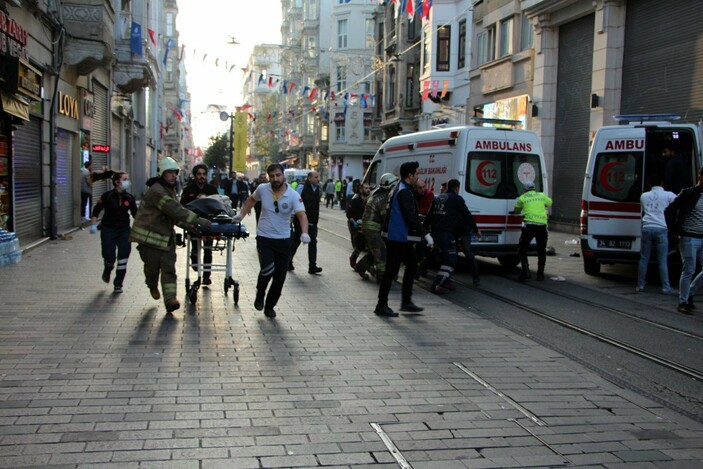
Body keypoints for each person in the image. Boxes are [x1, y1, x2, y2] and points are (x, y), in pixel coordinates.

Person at [130, 157, 212, 314]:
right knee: (152, 270)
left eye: (175, 172)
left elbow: (173, 216)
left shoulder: (169, 190)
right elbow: (175, 210)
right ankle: (152, 285)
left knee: (169, 270)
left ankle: (170, 300)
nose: (174, 176)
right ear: (162, 174)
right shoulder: (157, 191)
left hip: (166, 238)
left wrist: (190, 227)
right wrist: (198, 221)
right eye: (170, 173)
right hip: (150, 240)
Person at [233, 163, 310, 318]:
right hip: (264, 238)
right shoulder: (263, 189)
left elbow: (302, 215)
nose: (275, 179)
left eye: (278, 175)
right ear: (269, 176)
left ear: (283, 175)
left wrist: (305, 233)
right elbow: (251, 200)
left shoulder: (293, 195)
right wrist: (241, 215)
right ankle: (260, 293)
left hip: (284, 240)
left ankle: (270, 306)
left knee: (280, 277)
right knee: (267, 269)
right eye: (272, 176)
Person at [374, 162, 433, 317]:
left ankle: (406, 302)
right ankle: (382, 305)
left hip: (400, 236)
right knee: (391, 271)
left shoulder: (401, 188)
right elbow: (410, 215)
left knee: (412, 265)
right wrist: (425, 233)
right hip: (397, 236)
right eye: (417, 174)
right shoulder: (404, 192)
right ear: (410, 175)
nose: (418, 177)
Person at [425, 179, 481, 294]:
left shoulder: (438, 198)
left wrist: (424, 231)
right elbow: (467, 215)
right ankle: (438, 283)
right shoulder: (457, 199)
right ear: (457, 188)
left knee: (441, 256)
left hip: (434, 233)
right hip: (446, 234)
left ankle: (445, 281)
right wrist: (476, 229)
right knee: (451, 259)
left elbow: (429, 216)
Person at [89, 170, 137, 293]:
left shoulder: (129, 198)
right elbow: (97, 209)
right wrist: (93, 224)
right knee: (109, 256)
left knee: (123, 257)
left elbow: (136, 215)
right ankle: (108, 268)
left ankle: (118, 284)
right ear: (117, 182)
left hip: (124, 231)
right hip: (108, 229)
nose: (127, 182)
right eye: (125, 179)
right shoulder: (107, 196)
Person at [667, 167, 703, 314]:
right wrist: (674, 230)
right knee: (689, 269)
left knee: (692, 270)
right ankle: (683, 302)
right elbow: (670, 209)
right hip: (689, 236)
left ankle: (690, 293)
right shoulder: (689, 193)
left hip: (702, 237)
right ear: (700, 177)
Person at [636, 174, 676, 294]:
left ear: (649, 184)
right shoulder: (668, 194)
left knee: (644, 258)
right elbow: (679, 202)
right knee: (662, 259)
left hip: (647, 227)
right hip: (661, 228)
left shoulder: (644, 196)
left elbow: (643, 208)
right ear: (662, 182)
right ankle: (665, 287)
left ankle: (641, 285)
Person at [180, 164, 218, 286]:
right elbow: (182, 207)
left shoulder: (212, 189)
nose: (202, 176)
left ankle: (206, 276)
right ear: (195, 175)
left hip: (208, 224)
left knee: (208, 250)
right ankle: (194, 260)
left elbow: (218, 206)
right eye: (199, 174)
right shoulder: (188, 190)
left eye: (203, 174)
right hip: (194, 224)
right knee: (195, 248)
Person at [356, 173, 398, 282]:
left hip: (369, 226)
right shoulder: (384, 198)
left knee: (375, 250)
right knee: (381, 253)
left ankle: (360, 266)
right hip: (372, 228)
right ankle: (382, 277)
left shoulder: (375, 193)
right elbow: (385, 215)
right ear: (390, 186)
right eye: (394, 185)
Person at [513, 180, 552, 281]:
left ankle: (526, 272)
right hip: (542, 227)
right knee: (541, 250)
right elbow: (549, 202)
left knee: (522, 249)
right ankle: (540, 274)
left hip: (529, 226)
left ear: (525, 189)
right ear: (534, 188)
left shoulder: (522, 198)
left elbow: (517, 210)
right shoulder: (542, 195)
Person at [290, 171, 323, 274]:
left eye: (318, 177)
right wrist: (291, 216)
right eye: (316, 177)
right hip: (301, 220)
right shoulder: (301, 187)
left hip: (313, 220)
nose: (318, 179)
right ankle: (288, 261)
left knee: (313, 242)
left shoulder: (319, 188)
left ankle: (312, 266)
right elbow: (294, 201)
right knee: (297, 241)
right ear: (309, 178)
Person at [347, 181, 371, 272]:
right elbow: (349, 214)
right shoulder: (355, 201)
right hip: (358, 227)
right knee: (360, 245)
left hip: (368, 226)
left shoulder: (371, 200)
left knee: (370, 246)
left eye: (369, 188)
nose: (368, 190)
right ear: (361, 190)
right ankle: (353, 258)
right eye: (366, 188)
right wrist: (354, 223)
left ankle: (367, 266)